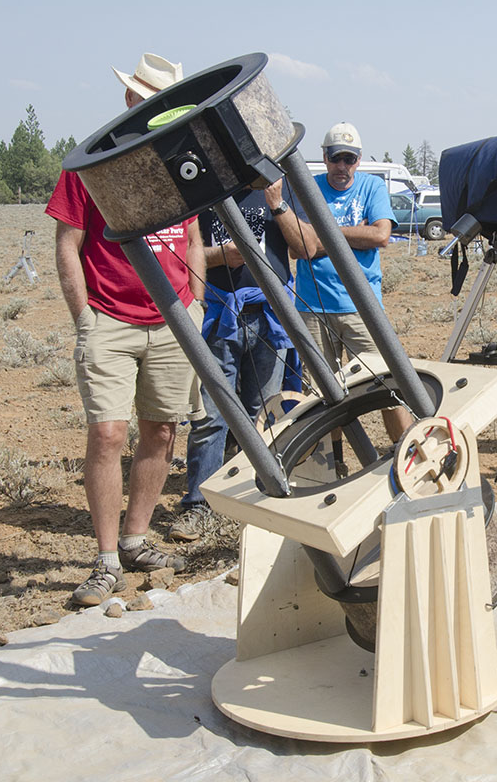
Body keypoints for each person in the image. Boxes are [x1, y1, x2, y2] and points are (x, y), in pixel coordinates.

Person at [48, 52, 206, 607]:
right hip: (110, 320)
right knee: (108, 435)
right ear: (130, 99)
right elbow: (68, 243)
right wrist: (84, 316)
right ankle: (106, 559)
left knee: (162, 431)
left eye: (163, 101)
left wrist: (199, 301)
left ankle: (138, 539)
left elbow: (189, 239)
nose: (153, 109)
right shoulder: (88, 164)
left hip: (172, 319)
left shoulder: (176, 159)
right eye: (146, 98)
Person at [171, 181, 297, 541]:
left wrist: (277, 204)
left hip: (269, 314)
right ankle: (198, 504)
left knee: (265, 415)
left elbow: (307, 247)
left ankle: (255, 500)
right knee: (212, 415)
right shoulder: (199, 190)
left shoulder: (278, 186)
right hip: (219, 310)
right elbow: (182, 251)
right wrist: (218, 257)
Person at [273, 121, 409, 440]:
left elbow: (381, 235)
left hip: (361, 307)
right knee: (323, 396)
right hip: (314, 308)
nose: (342, 167)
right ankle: (333, 466)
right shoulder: (307, 188)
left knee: (388, 385)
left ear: (358, 160)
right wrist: (350, 234)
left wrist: (324, 234)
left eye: (349, 159)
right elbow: (300, 247)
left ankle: (407, 455)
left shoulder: (372, 187)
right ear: (324, 157)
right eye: (336, 158)